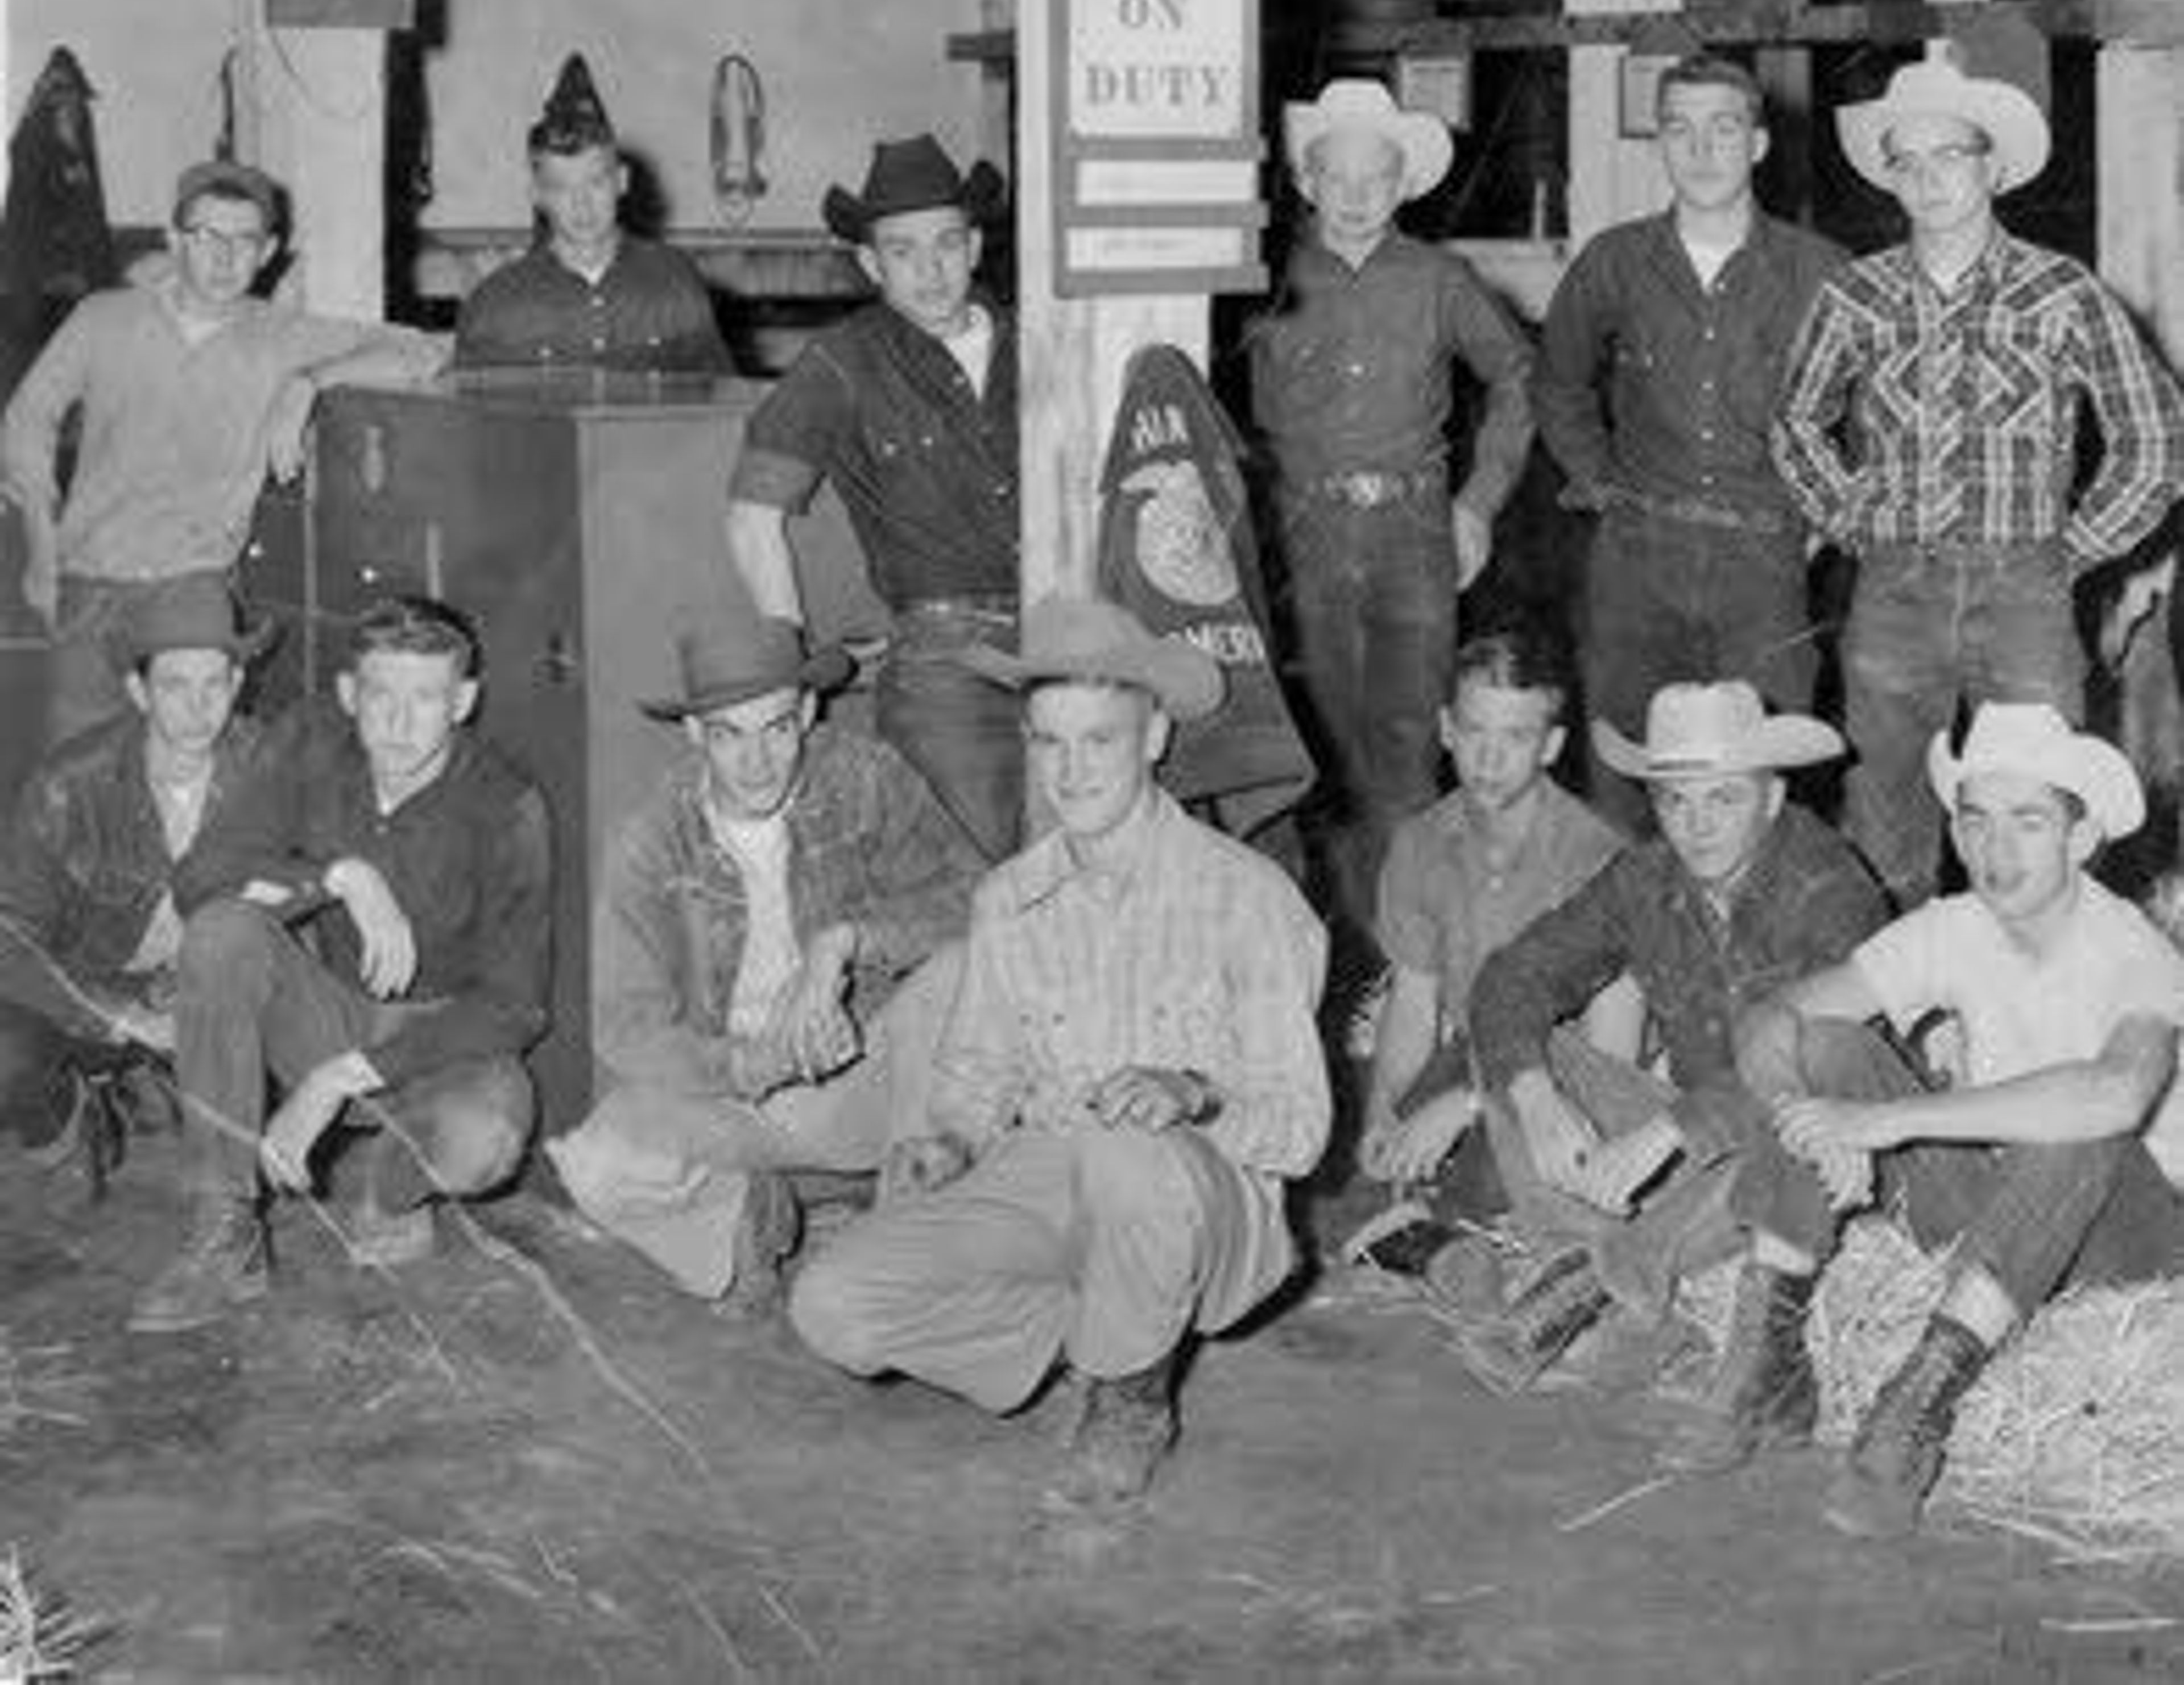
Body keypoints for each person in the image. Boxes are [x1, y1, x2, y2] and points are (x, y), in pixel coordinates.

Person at [788, 597, 1330, 1510]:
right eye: (1049, 742)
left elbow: (1303, 1129)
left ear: (1155, 734)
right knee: (832, 1306)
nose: (1071, 770)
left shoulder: (1248, 896)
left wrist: (1193, 1091)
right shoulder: (1008, 898)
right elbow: (974, 1075)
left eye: (1099, 740)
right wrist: (949, 1142)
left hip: (1203, 1195)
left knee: (1127, 1153)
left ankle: (1131, 1402)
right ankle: (1091, 1332)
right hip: (1049, 1177)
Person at [1692, 703, 2184, 1537]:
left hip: (2130, 1239)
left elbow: (2117, 1096)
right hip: (1998, 1213)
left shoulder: (2135, 951)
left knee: (2076, 1127)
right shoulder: (1954, 927)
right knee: (1832, 1046)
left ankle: (1918, 1404)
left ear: (2082, 835)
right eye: (1976, 820)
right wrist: (1809, 1120)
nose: (1995, 851)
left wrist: (1885, 1123)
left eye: (2028, 822)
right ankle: (1771, 1351)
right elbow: (1772, 1019)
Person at [1773, 51, 2184, 909]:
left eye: (1950, 155)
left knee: (2041, 807)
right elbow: (1794, 423)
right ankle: (1903, 1026)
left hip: (2025, 590)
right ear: (1891, 178)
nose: (1928, 178)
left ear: (1993, 165)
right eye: (1908, 161)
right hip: (1894, 589)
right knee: (1886, 814)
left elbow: (2156, 436)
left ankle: (2039, 1018)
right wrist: (1857, 518)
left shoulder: (2062, 291)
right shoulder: (1856, 296)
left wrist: (2071, 548)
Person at [130, 597, 550, 1334]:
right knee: (223, 932)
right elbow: (201, 879)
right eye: (381, 694)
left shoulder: (506, 804)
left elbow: (513, 1006)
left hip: (444, 1042)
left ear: (464, 700)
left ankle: (387, 1189)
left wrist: (335, 1078)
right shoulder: (309, 742)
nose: (399, 721)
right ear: (351, 693)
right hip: (327, 1011)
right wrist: (340, 875)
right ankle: (225, 1228)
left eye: (426, 697)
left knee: (483, 1139)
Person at [1455, 680, 1885, 1382]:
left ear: (1773, 800)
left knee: (1792, 1116)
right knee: (1518, 1045)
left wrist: (1668, 1132)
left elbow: (1812, 1061)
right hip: (1679, 1153)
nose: (1697, 826)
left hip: (1773, 1144)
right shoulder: (1645, 876)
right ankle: (1619, 1292)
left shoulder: (1830, 887)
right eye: (1675, 801)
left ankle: (1599, 1282)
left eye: (1724, 799)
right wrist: (1536, 1099)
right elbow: (1510, 978)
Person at [545, 607, 979, 1302]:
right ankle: (758, 1212)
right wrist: (744, 1065)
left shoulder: (865, 778)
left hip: (868, 1075)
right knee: (597, 1162)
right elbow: (626, 1027)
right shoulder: (653, 840)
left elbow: (977, 903)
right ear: (694, 734)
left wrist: (844, 945)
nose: (756, 762)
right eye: (729, 736)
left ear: (808, 711)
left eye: (777, 729)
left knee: (962, 973)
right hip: (741, 1099)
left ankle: (904, 1217)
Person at [1, 154, 448, 747]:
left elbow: (426, 351)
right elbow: (26, 419)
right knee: (78, 772)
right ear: (173, 241)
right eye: (207, 236)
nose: (224, 257)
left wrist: (308, 383)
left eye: (245, 241)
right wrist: (40, 542)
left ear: (268, 254)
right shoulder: (103, 319)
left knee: (188, 764)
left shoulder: (280, 336)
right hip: (88, 583)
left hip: (194, 589)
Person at [1250, 79, 1534, 947]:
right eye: (1339, 174)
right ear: (1308, 178)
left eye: (1378, 176)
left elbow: (1520, 379)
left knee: (1410, 751)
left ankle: (1408, 957)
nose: (1358, 193)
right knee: (1323, 752)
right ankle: (1339, 949)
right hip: (1304, 540)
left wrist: (1478, 504)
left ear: (1404, 182)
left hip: (1415, 537)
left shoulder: (1439, 279)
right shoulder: (1261, 277)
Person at [726, 134, 1023, 863]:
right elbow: (751, 517)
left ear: (976, 245)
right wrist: (789, 659)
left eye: (947, 243)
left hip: (1069, 632)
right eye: (902, 251)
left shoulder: (1041, 340)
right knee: (967, 880)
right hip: (944, 664)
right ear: (870, 263)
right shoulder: (842, 362)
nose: (930, 270)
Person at [1537, 53, 1842, 738]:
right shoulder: (1613, 261)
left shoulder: (1820, 271)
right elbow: (1558, 384)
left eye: (1724, 129)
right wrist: (1599, 479)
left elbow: (1873, 414)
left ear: (1758, 144)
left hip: (1763, 563)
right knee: (1628, 761)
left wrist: (1827, 512)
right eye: (1680, 129)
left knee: (1760, 766)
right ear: (1660, 145)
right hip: (1637, 557)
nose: (1702, 150)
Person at [1354, 626, 1629, 1259]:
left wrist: (1473, 1105)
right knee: (1401, 1156)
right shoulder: (1420, 844)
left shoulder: (1595, 856)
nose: (1489, 759)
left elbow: (1613, 1055)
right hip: (1467, 1056)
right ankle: (1451, 1217)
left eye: (1516, 738)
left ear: (1553, 745)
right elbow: (1415, 1004)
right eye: (1475, 732)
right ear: (1447, 728)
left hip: (1565, 1075)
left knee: (1515, 1184)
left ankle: (1468, 1223)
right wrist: (1385, 1111)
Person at [0, 574, 271, 1200]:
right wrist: (120, 1017)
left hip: (213, 990)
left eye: (215, 684)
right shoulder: (70, 783)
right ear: (137, 690)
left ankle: (157, 1088)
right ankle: (70, 1124)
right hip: (92, 993)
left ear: (238, 683)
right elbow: (10, 935)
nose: (198, 708)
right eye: (175, 685)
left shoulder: (272, 769)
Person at [454, 53, 727, 376]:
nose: (582, 204)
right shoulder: (497, 304)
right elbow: (473, 418)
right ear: (537, 196)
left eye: (596, 183)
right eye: (561, 188)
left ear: (622, 182)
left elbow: (722, 399)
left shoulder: (674, 282)